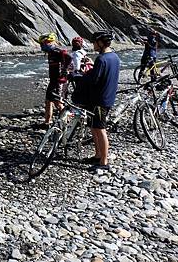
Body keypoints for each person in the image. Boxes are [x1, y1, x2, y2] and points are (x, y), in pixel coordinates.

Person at [74, 30, 120, 172]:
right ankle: (98, 155)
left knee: (100, 129)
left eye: (94, 42)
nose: (93, 44)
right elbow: (103, 75)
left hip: (99, 99)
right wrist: (92, 68)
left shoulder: (101, 59)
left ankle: (104, 161)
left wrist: (79, 76)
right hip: (107, 97)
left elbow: (94, 80)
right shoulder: (114, 57)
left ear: (100, 43)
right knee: (94, 127)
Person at [38, 33, 71, 128]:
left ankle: (68, 121)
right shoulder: (50, 52)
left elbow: (68, 58)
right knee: (48, 100)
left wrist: (64, 73)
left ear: (49, 42)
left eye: (43, 44)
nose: (42, 46)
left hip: (58, 81)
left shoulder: (57, 51)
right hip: (53, 80)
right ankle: (47, 122)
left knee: (57, 102)